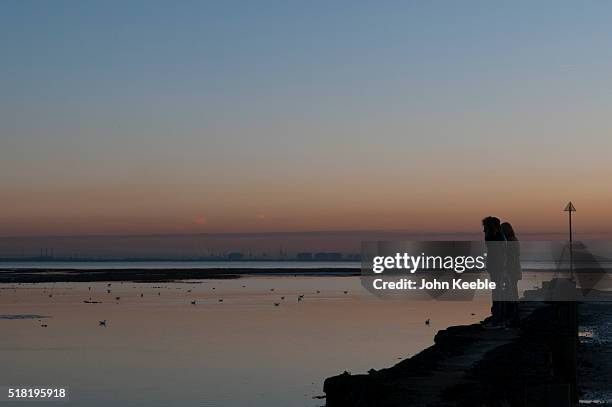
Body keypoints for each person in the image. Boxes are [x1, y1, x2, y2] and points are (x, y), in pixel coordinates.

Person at [482, 216, 505, 326]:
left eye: (485, 227)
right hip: (495, 266)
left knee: (497, 291)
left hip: (497, 266)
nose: (483, 230)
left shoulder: (497, 237)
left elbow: (501, 253)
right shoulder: (496, 237)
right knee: (496, 290)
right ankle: (497, 315)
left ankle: (497, 316)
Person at [501, 222, 521, 326]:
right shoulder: (515, 240)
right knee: (513, 293)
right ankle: (515, 316)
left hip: (511, 271)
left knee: (511, 293)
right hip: (515, 270)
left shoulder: (509, 242)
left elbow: (510, 258)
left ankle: (513, 317)